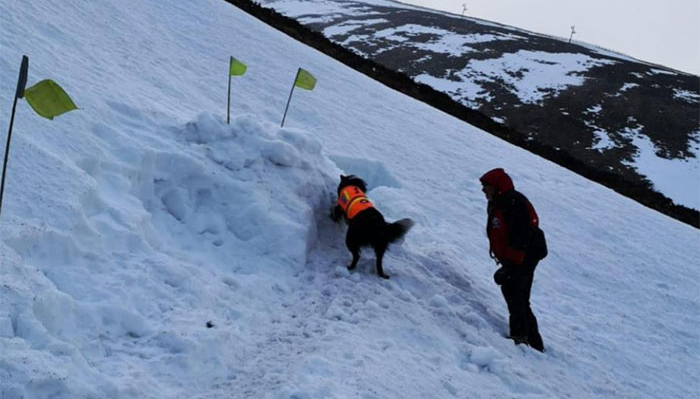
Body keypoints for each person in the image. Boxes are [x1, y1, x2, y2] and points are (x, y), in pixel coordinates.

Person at [480, 168, 547, 352]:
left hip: (524, 257)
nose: (483, 190)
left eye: (486, 186)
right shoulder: (500, 201)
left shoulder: (512, 202)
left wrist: (510, 265)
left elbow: (521, 235)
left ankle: (522, 337)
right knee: (516, 294)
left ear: (496, 187)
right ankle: (532, 340)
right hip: (519, 257)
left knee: (516, 293)